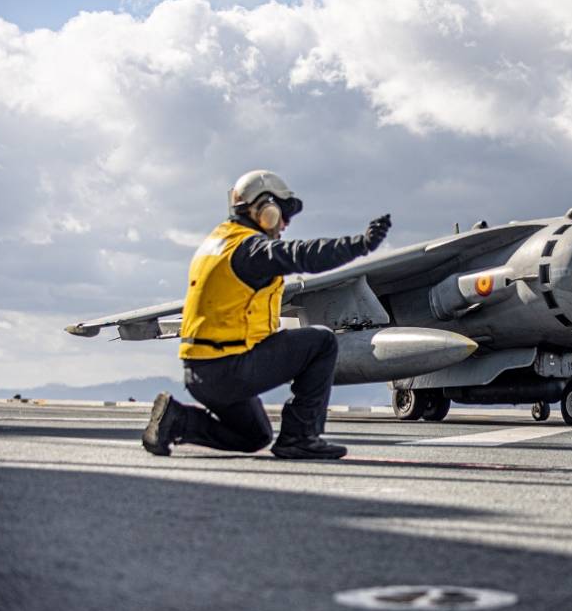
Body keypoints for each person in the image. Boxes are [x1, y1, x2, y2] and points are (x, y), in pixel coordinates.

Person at [142, 170, 392, 460]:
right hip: (229, 367)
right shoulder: (249, 250)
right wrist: (360, 244)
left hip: (201, 374)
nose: (285, 224)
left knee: (254, 436)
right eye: (283, 214)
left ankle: (176, 419)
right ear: (265, 208)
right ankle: (300, 438)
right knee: (322, 341)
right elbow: (302, 254)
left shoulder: (218, 242)